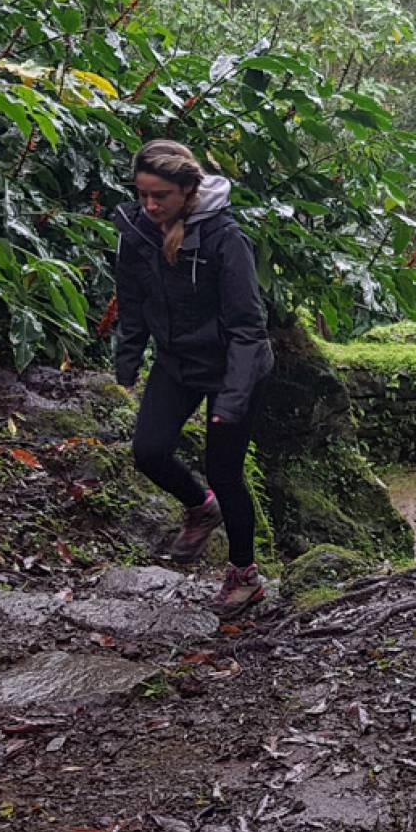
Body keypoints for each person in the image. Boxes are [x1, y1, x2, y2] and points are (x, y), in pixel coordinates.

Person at [112, 139, 274, 617]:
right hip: (176, 362)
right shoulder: (138, 233)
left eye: (160, 195)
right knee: (148, 451)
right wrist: (126, 366)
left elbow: (249, 327)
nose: (149, 205)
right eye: (142, 194)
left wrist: (231, 402)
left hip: (233, 366)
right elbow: (133, 304)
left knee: (226, 472)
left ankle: (244, 576)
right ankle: (199, 506)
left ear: (188, 190)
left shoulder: (227, 240)